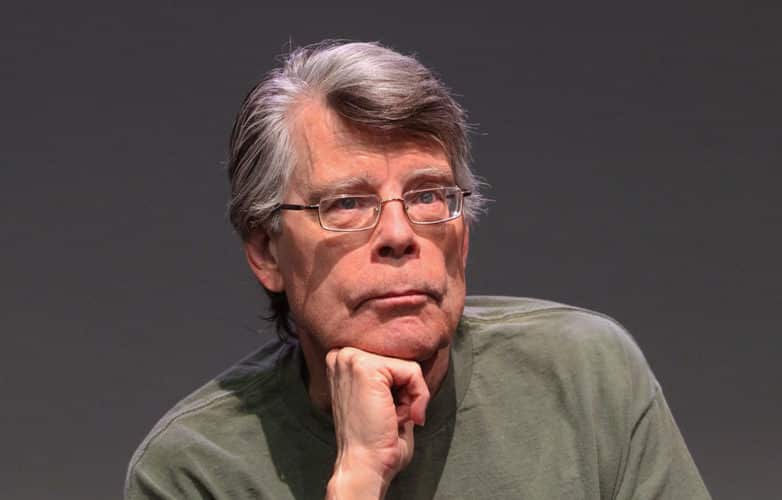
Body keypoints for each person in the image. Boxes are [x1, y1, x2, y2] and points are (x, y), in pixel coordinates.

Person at [125, 40, 710, 499]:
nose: (400, 235)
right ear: (266, 252)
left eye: (430, 196)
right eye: (347, 205)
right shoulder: (193, 470)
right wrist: (357, 479)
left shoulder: (585, 374)